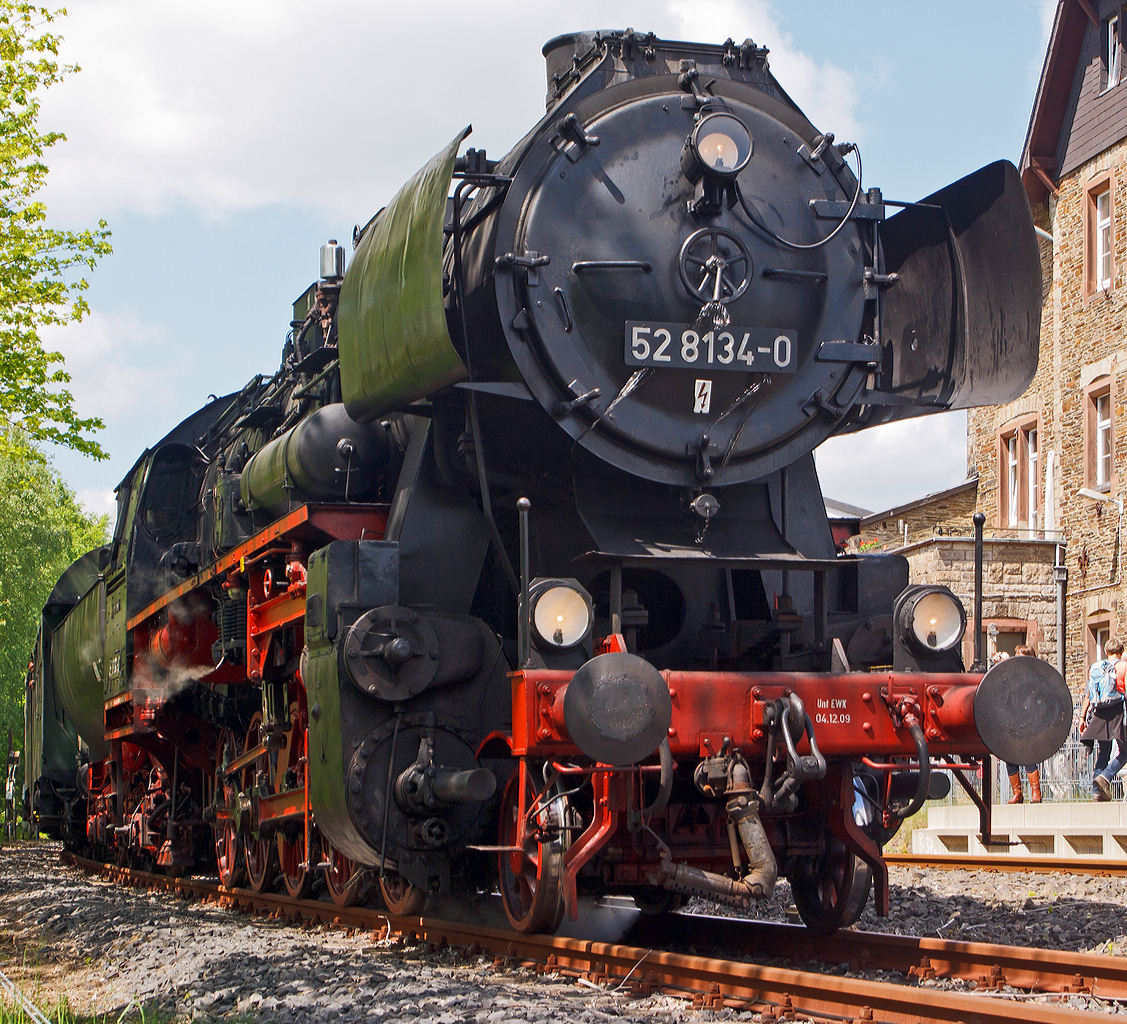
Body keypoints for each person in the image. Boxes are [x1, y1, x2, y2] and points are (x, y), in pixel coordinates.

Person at [1080, 637, 1127, 801]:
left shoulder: (1097, 668)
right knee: (1126, 751)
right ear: (1121, 652)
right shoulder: (1123, 666)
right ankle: (1105, 777)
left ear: (1107, 652)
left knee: (1103, 752)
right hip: (1118, 714)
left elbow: (1088, 695)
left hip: (1099, 715)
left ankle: (1096, 791)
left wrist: (1082, 717)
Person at [1003, 644, 1042, 803]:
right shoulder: (1011, 676)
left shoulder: (1035, 677)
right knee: (1009, 755)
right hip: (1012, 718)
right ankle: (1017, 792)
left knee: (1027, 754)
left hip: (1028, 718)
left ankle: (1036, 792)